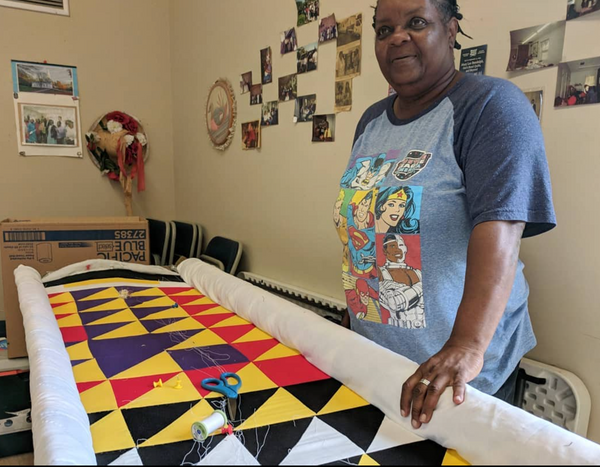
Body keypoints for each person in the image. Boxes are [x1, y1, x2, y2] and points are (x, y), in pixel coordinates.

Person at [335, 0, 555, 431]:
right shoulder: (370, 122)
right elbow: (366, 224)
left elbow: (501, 230)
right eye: (384, 30)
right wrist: (354, 313)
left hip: (460, 380)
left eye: (416, 22)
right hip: (379, 359)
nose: (397, 37)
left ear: (451, 29)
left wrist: (466, 347)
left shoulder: (491, 106)